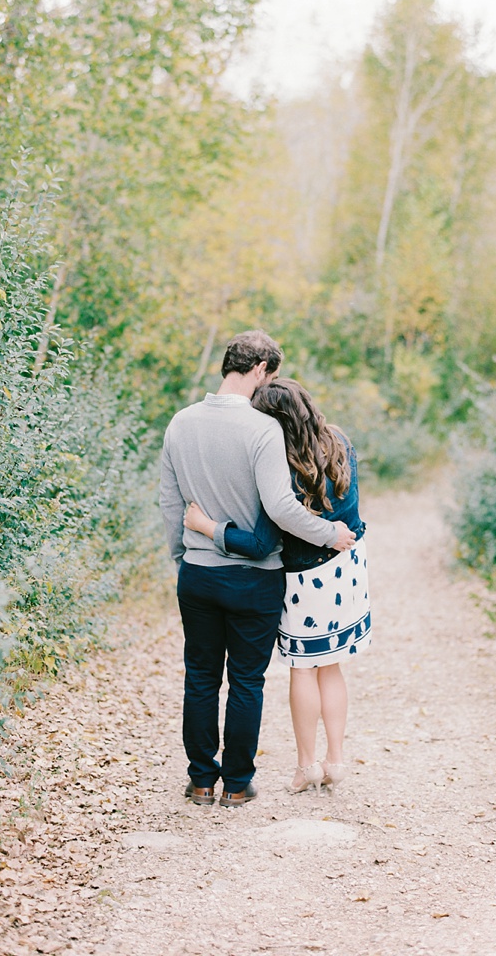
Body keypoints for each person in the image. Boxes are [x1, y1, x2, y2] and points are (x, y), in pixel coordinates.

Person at [159, 331, 356, 809]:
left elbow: (169, 502)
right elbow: (282, 508)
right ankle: (237, 784)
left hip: (199, 574)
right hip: (255, 578)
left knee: (200, 677)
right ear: (261, 369)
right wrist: (330, 534)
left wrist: (181, 554)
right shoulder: (262, 430)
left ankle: (201, 781)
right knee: (247, 680)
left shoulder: (179, 424)